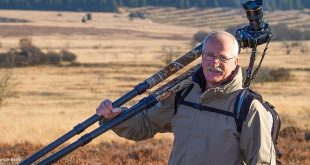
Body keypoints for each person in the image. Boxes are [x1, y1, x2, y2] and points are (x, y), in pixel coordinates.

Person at [96, 31, 276, 165]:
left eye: (223, 57)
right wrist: (115, 117)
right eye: (210, 55)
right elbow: (145, 125)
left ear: (235, 62)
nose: (214, 63)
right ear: (202, 57)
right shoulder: (182, 94)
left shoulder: (247, 107)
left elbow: (262, 162)